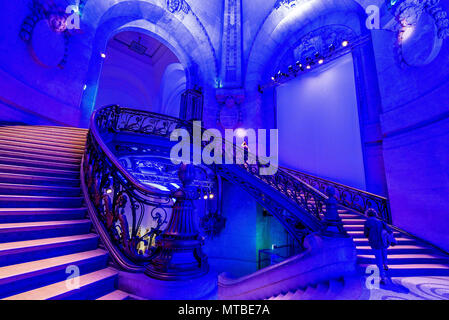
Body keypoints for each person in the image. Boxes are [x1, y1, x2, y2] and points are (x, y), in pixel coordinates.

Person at [363, 208, 395, 283]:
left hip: (375, 242)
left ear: (367, 214)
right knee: (384, 253)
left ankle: (383, 277)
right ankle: (386, 264)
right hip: (383, 241)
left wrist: (370, 236)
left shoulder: (368, 222)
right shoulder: (380, 221)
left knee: (378, 259)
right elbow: (389, 230)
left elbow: (366, 233)